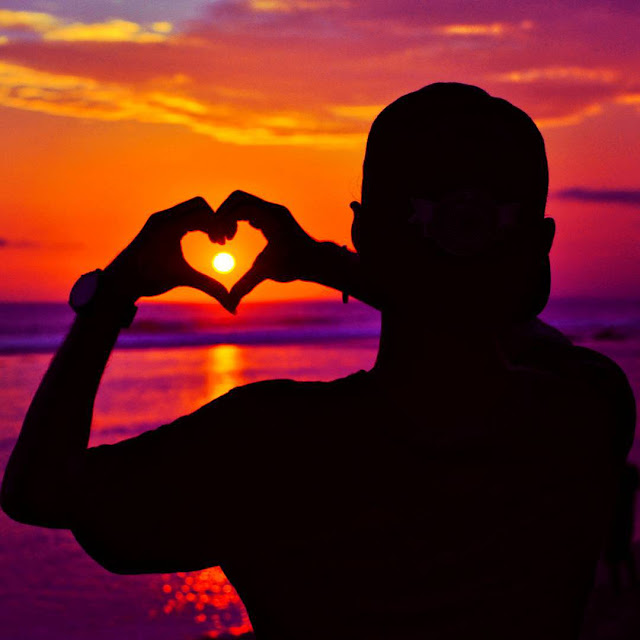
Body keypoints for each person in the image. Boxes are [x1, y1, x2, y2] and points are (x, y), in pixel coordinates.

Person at [1, 83, 635, 639]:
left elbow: (37, 491)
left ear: (362, 231)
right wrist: (333, 261)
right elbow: (504, 322)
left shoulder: (267, 445)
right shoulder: (585, 415)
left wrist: (113, 293)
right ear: (542, 249)